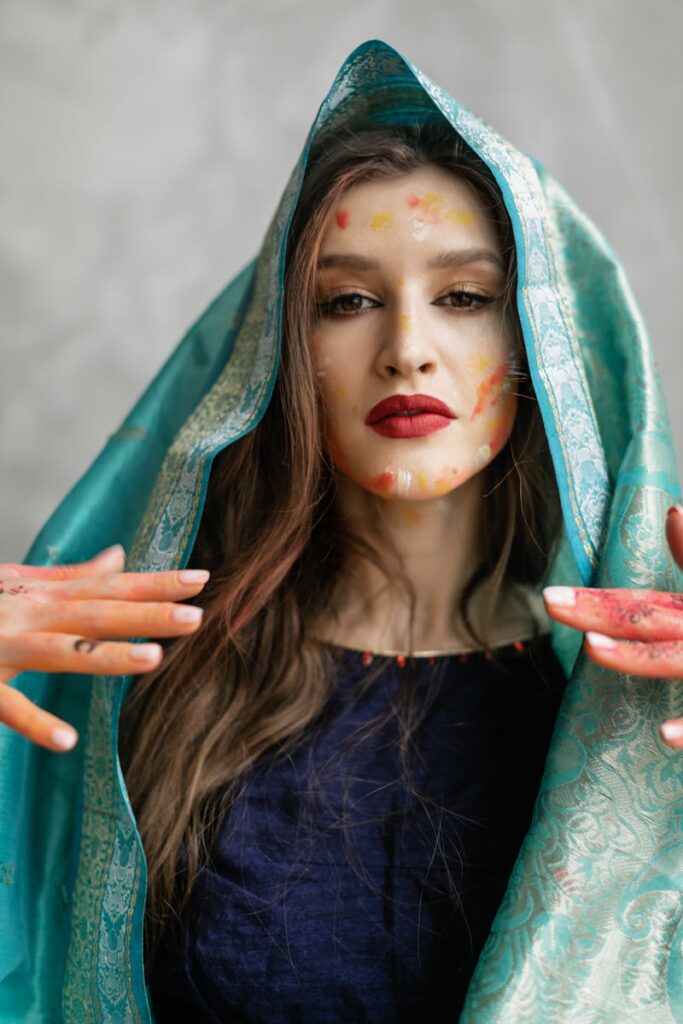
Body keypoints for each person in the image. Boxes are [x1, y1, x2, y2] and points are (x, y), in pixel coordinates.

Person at [0, 39, 681, 1024]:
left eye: (464, 297)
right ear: (279, 351)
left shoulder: (642, 706)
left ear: (544, 343)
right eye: (348, 301)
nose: (406, 350)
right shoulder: (132, 683)